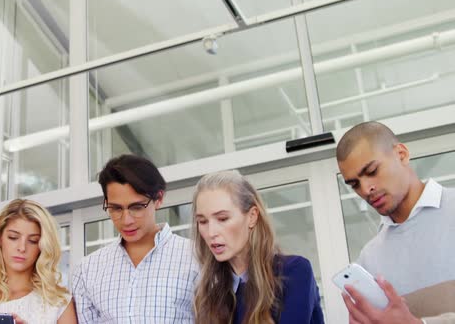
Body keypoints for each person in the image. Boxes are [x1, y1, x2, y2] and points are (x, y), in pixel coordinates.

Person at [336, 121, 455, 324]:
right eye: (354, 184)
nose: (365, 189)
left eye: (372, 171)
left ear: (401, 154)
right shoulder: (369, 258)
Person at [71, 154, 198, 323]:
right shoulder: (88, 270)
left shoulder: (196, 257)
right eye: (116, 209)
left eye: (137, 207)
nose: (126, 220)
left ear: (159, 199)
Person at [192, 170, 324, 324]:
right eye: (203, 221)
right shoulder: (209, 297)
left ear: (252, 217)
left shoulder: (294, 272)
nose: (211, 232)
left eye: (222, 219)